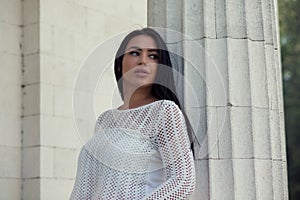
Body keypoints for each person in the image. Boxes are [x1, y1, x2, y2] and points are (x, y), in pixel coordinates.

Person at [70, 27, 196, 199]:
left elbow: (183, 181)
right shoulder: (105, 120)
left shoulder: (164, 111)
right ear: (120, 64)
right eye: (135, 53)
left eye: (153, 56)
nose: (143, 60)